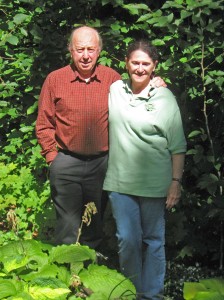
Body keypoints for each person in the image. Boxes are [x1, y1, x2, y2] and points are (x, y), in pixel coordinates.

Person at [36, 26, 165, 249]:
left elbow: (138, 98)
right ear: (70, 50)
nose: (85, 55)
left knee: (94, 226)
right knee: (67, 227)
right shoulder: (55, 80)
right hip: (66, 162)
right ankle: (66, 278)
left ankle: (88, 278)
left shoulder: (112, 80)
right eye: (80, 49)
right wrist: (52, 157)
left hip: (102, 164)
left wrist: (156, 84)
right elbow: (44, 123)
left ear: (99, 51)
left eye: (91, 49)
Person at [103, 40, 186, 299]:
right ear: (126, 63)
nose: (139, 68)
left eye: (145, 64)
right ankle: (131, 293)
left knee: (153, 240)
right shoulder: (115, 89)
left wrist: (176, 181)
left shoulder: (164, 97)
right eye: (135, 62)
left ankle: (151, 295)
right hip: (120, 182)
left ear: (154, 67)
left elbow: (178, 145)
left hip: (155, 184)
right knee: (127, 240)